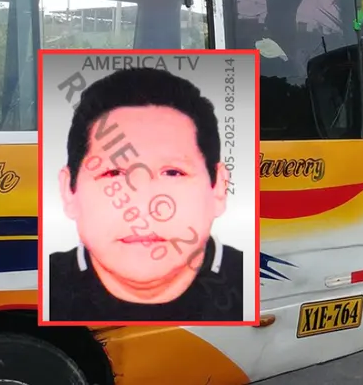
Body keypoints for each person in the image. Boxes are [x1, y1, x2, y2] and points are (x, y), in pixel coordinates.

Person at [48, 67, 244, 322]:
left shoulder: (251, 282)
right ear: (68, 191)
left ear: (218, 188)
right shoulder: (43, 286)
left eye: (172, 173)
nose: (144, 204)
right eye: (113, 173)